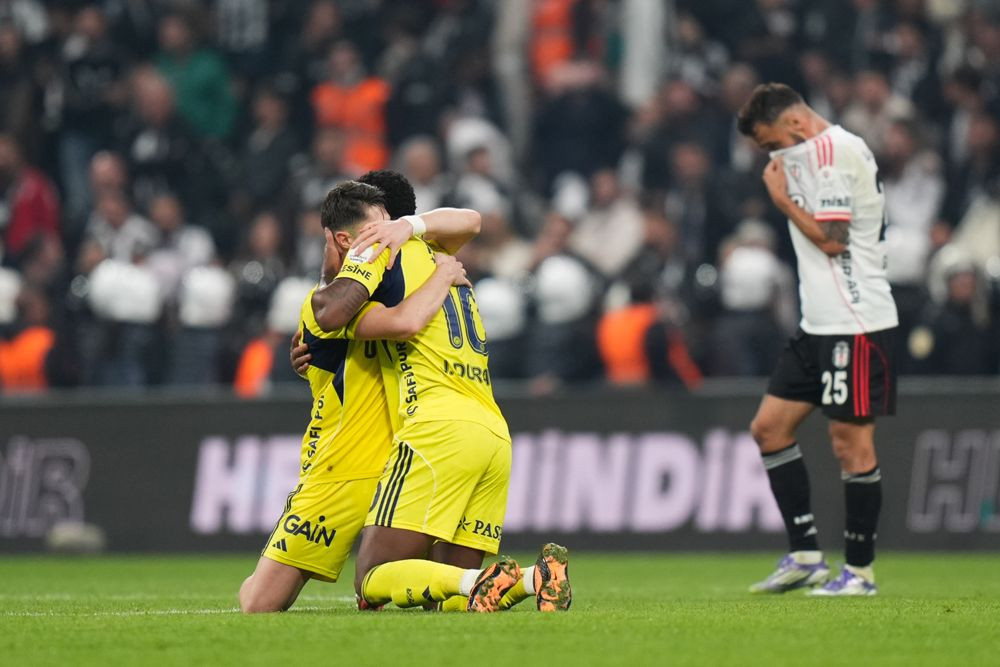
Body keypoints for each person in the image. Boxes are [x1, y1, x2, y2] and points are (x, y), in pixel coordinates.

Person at [310, 181, 571, 612]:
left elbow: (331, 312)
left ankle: (484, 579)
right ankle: (533, 578)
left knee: (371, 580)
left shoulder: (379, 254)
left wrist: (321, 317)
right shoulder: (438, 253)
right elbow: (471, 220)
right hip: (492, 433)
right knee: (448, 597)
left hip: (437, 427)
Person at [239, 189, 477, 612]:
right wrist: (443, 275)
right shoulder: (334, 299)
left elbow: (470, 221)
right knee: (266, 600)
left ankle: (489, 583)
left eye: (389, 224)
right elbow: (392, 320)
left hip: (378, 459)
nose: (385, 235)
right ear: (346, 239)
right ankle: (506, 581)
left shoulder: (396, 272)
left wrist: (410, 231)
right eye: (376, 226)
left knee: (270, 600)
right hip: (368, 459)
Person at [737, 83, 899, 596]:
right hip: (818, 324)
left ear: (795, 124)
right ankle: (806, 556)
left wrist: (781, 200)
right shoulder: (810, 152)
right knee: (769, 429)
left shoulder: (834, 154)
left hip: (855, 321)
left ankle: (860, 573)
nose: (772, 155)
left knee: (850, 444)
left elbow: (833, 240)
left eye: (771, 143)